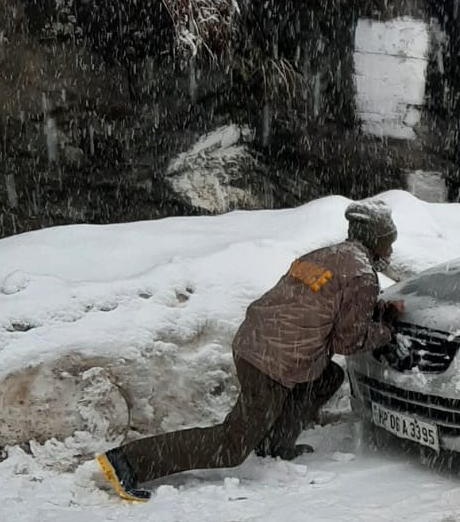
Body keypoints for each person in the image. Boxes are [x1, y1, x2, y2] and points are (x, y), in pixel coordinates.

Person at [96, 201, 400, 502]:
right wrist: (387, 330)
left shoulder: (326, 255)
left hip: (255, 341)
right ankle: (128, 462)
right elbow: (349, 341)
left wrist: (375, 313)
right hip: (273, 362)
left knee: (327, 375)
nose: (390, 250)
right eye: (390, 241)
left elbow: (325, 307)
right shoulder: (361, 275)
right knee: (231, 445)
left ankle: (275, 444)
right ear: (375, 239)